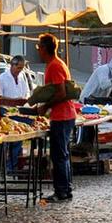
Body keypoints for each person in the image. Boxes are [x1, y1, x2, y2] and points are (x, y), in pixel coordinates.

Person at [35, 33, 78, 202]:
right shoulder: (57, 64)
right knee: (63, 154)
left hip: (62, 116)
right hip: (65, 115)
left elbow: (61, 92)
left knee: (59, 155)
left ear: (45, 48)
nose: (38, 50)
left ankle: (61, 190)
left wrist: (46, 106)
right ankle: (65, 189)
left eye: (39, 47)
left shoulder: (54, 66)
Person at [0, 55, 32, 174]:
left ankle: (14, 166)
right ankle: (7, 167)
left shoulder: (22, 77)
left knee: (18, 140)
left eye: (21, 68)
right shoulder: (2, 78)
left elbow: (26, 92)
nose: (20, 70)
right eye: (18, 68)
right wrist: (13, 101)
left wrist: (23, 100)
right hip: (6, 113)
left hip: (19, 112)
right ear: (12, 65)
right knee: (8, 143)